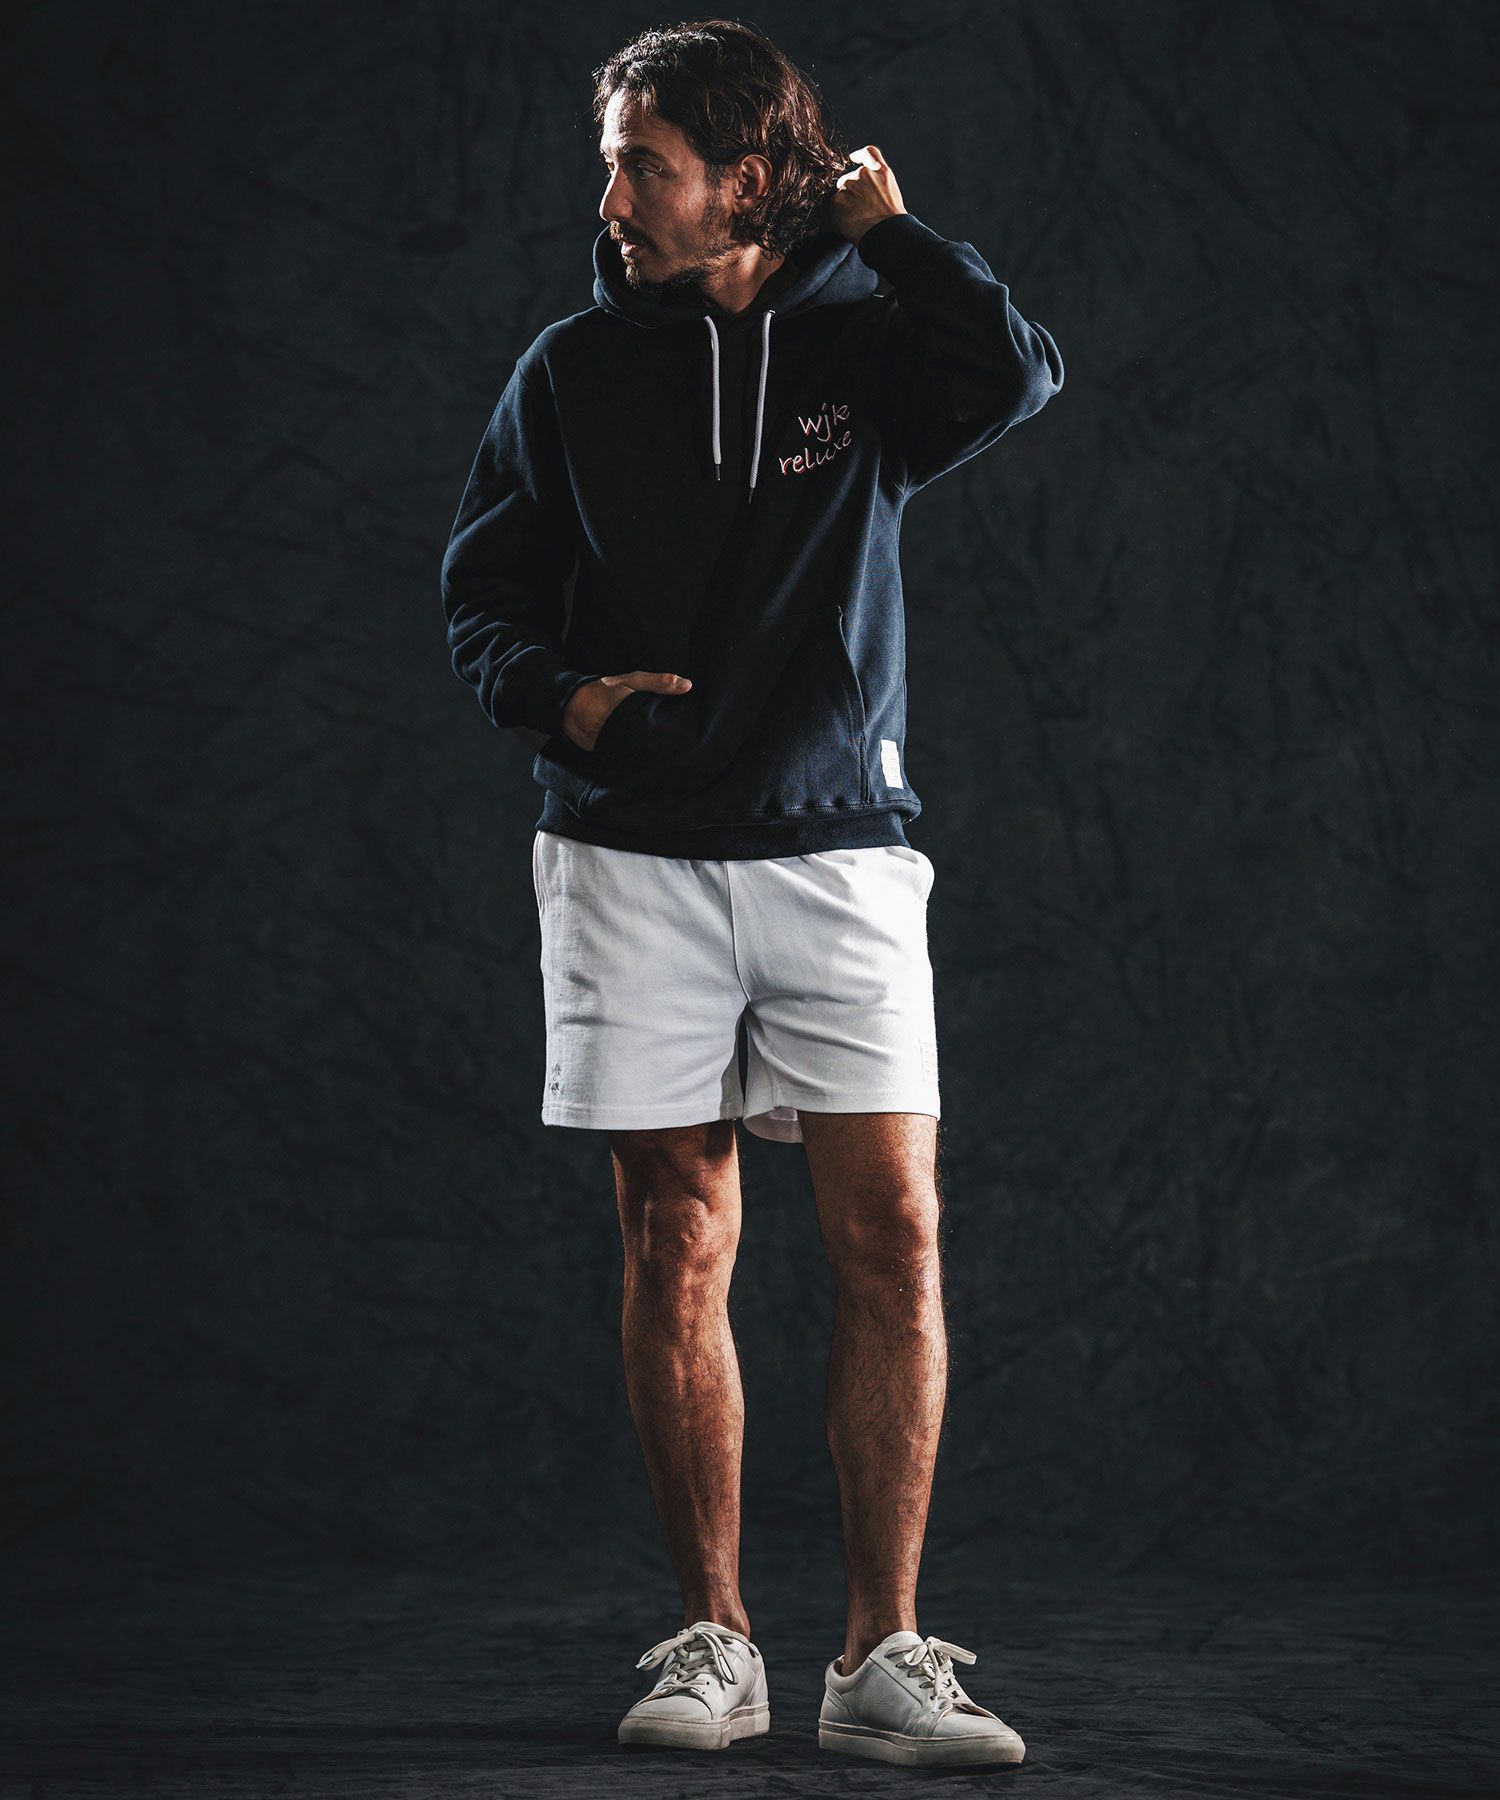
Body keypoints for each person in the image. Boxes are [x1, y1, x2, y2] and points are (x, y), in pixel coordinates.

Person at [439, 18, 1062, 1769]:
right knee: (677, 1236)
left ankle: (882, 1656)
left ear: (750, 180)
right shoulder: (571, 367)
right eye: (612, 164)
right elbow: (481, 593)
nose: (611, 199)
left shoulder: (870, 344)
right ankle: (716, 1639)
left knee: (898, 1238)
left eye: (644, 167)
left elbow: (1015, 374)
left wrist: (894, 234)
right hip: (627, 861)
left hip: (837, 849)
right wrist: (563, 701)